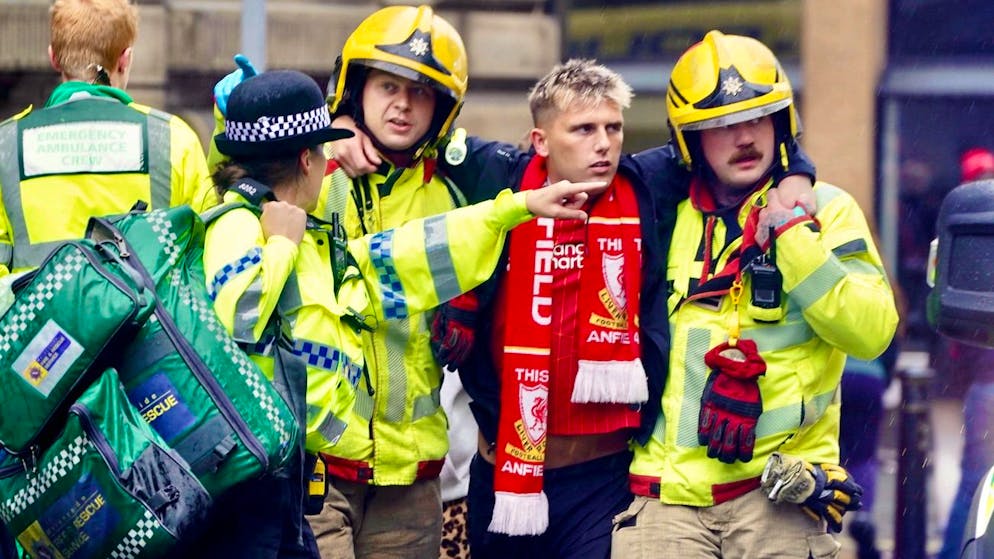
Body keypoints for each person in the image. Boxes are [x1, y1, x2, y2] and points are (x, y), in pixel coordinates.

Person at [332, 52, 819, 556]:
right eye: (583, 129)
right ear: (541, 140)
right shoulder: (495, 173)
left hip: (600, 481)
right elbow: (413, 133)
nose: (603, 144)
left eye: (613, 127)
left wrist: (797, 171)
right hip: (504, 472)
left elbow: (727, 148)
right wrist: (342, 121)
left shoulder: (644, 184)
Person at [201, 68, 600, 558]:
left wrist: (517, 207)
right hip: (275, 487)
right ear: (307, 160)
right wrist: (282, 246)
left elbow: (408, 253)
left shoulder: (317, 242)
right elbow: (236, 318)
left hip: (340, 475)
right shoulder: (238, 225)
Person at [612, 30, 898, 558]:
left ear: (781, 124)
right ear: (691, 141)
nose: (744, 136)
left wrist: (792, 236)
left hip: (778, 496)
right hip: (664, 500)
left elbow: (873, 332)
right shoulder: (663, 216)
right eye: (721, 126)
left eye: (757, 118)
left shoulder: (828, 211)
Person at [0, 0, 213, 277]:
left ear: (54, 57)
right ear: (125, 59)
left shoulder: (7, 144)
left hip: (40, 318)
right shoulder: (173, 138)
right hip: (145, 318)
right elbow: (206, 250)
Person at [938, 146, 994, 559]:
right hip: (986, 383)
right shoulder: (964, 232)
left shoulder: (961, 230)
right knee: (978, 487)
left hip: (983, 384)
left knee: (975, 487)